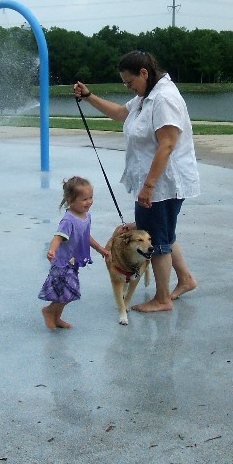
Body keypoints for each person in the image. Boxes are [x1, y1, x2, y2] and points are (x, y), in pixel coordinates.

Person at [73, 51, 199, 313]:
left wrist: (149, 186)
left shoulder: (164, 98)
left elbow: (167, 145)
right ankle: (185, 279)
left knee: (156, 240)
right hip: (156, 182)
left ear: (144, 73)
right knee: (163, 230)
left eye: (129, 82)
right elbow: (120, 113)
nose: (127, 87)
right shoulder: (147, 96)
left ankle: (162, 298)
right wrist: (89, 97)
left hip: (163, 184)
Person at [38, 176, 109, 330]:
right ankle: (49, 311)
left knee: (66, 293)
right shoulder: (68, 220)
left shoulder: (85, 216)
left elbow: (86, 235)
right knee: (68, 291)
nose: (89, 202)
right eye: (84, 199)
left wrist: (100, 249)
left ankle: (56, 317)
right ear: (70, 200)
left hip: (73, 262)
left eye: (90, 197)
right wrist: (52, 250)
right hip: (62, 263)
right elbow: (58, 237)